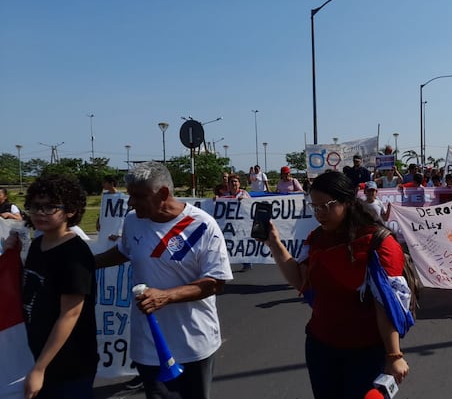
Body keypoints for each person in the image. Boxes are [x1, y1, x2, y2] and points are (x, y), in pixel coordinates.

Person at [260, 171, 409, 399]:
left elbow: (387, 304)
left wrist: (394, 356)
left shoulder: (379, 242)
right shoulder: (317, 238)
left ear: (347, 201)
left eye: (326, 206)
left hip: (367, 353)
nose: (319, 214)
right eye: (315, 207)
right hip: (321, 348)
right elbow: (300, 280)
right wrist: (274, 243)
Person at [94, 162, 233, 399]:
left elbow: (215, 283)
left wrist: (166, 296)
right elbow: (125, 250)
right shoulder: (133, 220)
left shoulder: (202, 226)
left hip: (192, 345)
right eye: (130, 195)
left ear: (163, 193)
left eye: (139, 196)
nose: (131, 202)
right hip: (148, 346)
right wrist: (87, 262)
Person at [20, 174, 98, 398]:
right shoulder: (37, 244)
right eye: (35, 206)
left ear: (70, 211)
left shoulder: (74, 254)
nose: (40, 213)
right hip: (35, 354)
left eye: (50, 207)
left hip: (69, 365)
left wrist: (40, 369)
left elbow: (70, 314)